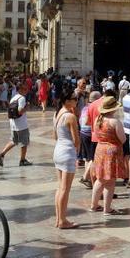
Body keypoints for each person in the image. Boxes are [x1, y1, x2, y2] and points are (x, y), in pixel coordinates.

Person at [91, 96, 126, 216]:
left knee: (100, 179)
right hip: (111, 152)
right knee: (110, 181)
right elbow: (123, 139)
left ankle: (94, 205)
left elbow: (96, 134)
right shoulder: (115, 122)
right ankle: (107, 209)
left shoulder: (97, 120)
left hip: (100, 149)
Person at [53, 86, 80, 229]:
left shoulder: (58, 114)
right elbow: (76, 140)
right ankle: (62, 220)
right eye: (75, 99)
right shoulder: (70, 116)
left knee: (60, 188)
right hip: (67, 151)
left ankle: (59, 219)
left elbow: (55, 136)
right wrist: (77, 152)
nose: (77, 101)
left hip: (58, 150)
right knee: (65, 189)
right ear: (68, 100)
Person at [0, 83, 32, 167]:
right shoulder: (22, 98)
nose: (26, 91)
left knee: (14, 141)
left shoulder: (13, 98)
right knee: (24, 142)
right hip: (21, 125)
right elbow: (20, 111)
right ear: (20, 90)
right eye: (24, 89)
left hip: (13, 124)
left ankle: (1, 154)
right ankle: (22, 160)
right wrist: (27, 107)